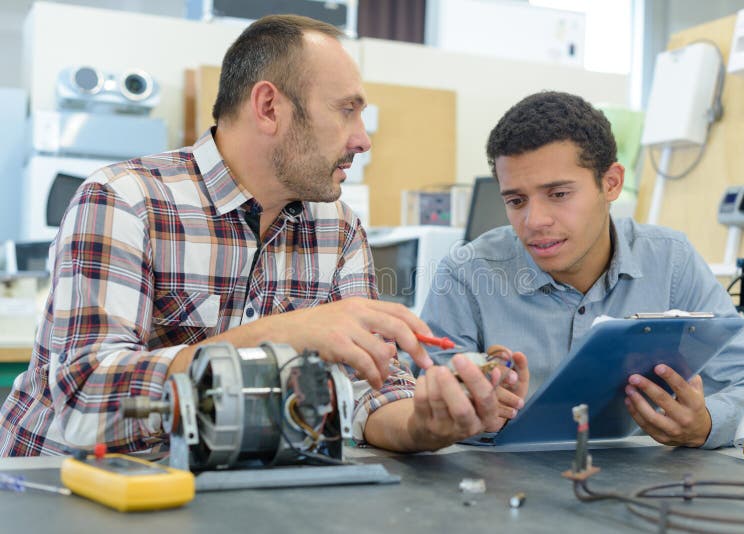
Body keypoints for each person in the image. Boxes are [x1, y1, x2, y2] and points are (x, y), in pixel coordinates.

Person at [0, 15, 524, 456]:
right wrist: (279, 336)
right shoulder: (125, 199)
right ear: (269, 107)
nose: (362, 139)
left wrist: (428, 424)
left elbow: (369, 394)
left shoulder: (337, 228)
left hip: (214, 495)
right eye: (347, 110)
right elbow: (87, 403)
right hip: (58, 489)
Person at [421, 91, 744, 449]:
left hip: (642, 492)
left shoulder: (671, 260)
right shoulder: (466, 272)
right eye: (516, 201)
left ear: (610, 183)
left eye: (559, 194)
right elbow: (422, 402)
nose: (535, 221)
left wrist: (706, 424)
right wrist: (466, 415)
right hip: (499, 493)